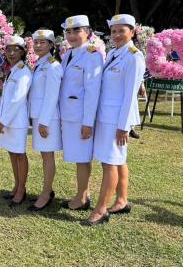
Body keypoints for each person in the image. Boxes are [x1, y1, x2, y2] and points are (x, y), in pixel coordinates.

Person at [85, 14, 145, 226]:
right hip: (106, 116)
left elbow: (130, 96)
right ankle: (121, 200)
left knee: (109, 162)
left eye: (122, 30)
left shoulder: (134, 56)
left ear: (132, 32)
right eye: (114, 31)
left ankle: (101, 210)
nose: (117, 35)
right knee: (118, 160)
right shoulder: (113, 53)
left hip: (116, 120)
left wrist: (124, 126)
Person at [59, 15, 103, 211]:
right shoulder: (69, 54)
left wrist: (88, 123)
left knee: (82, 157)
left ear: (88, 32)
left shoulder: (92, 55)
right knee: (78, 156)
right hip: (68, 115)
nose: (71, 35)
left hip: (80, 117)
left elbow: (92, 92)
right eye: (68, 31)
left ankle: (82, 197)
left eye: (76, 30)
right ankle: (82, 194)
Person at [0, 35, 32, 207]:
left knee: (19, 154)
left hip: (16, 121)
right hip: (7, 120)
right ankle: (16, 186)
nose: (10, 53)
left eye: (15, 50)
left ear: (22, 52)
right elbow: (5, 97)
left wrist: (4, 120)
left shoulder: (24, 71)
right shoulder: (12, 70)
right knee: (12, 153)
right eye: (8, 49)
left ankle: (22, 189)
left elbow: (18, 99)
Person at [27, 29, 63, 212]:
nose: (38, 45)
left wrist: (44, 122)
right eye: (36, 42)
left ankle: (46, 194)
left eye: (43, 42)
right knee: (44, 155)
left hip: (47, 118)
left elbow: (52, 96)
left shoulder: (53, 66)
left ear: (51, 45)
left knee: (48, 156)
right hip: (39, 116)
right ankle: (47, 190)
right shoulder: (40, 63)